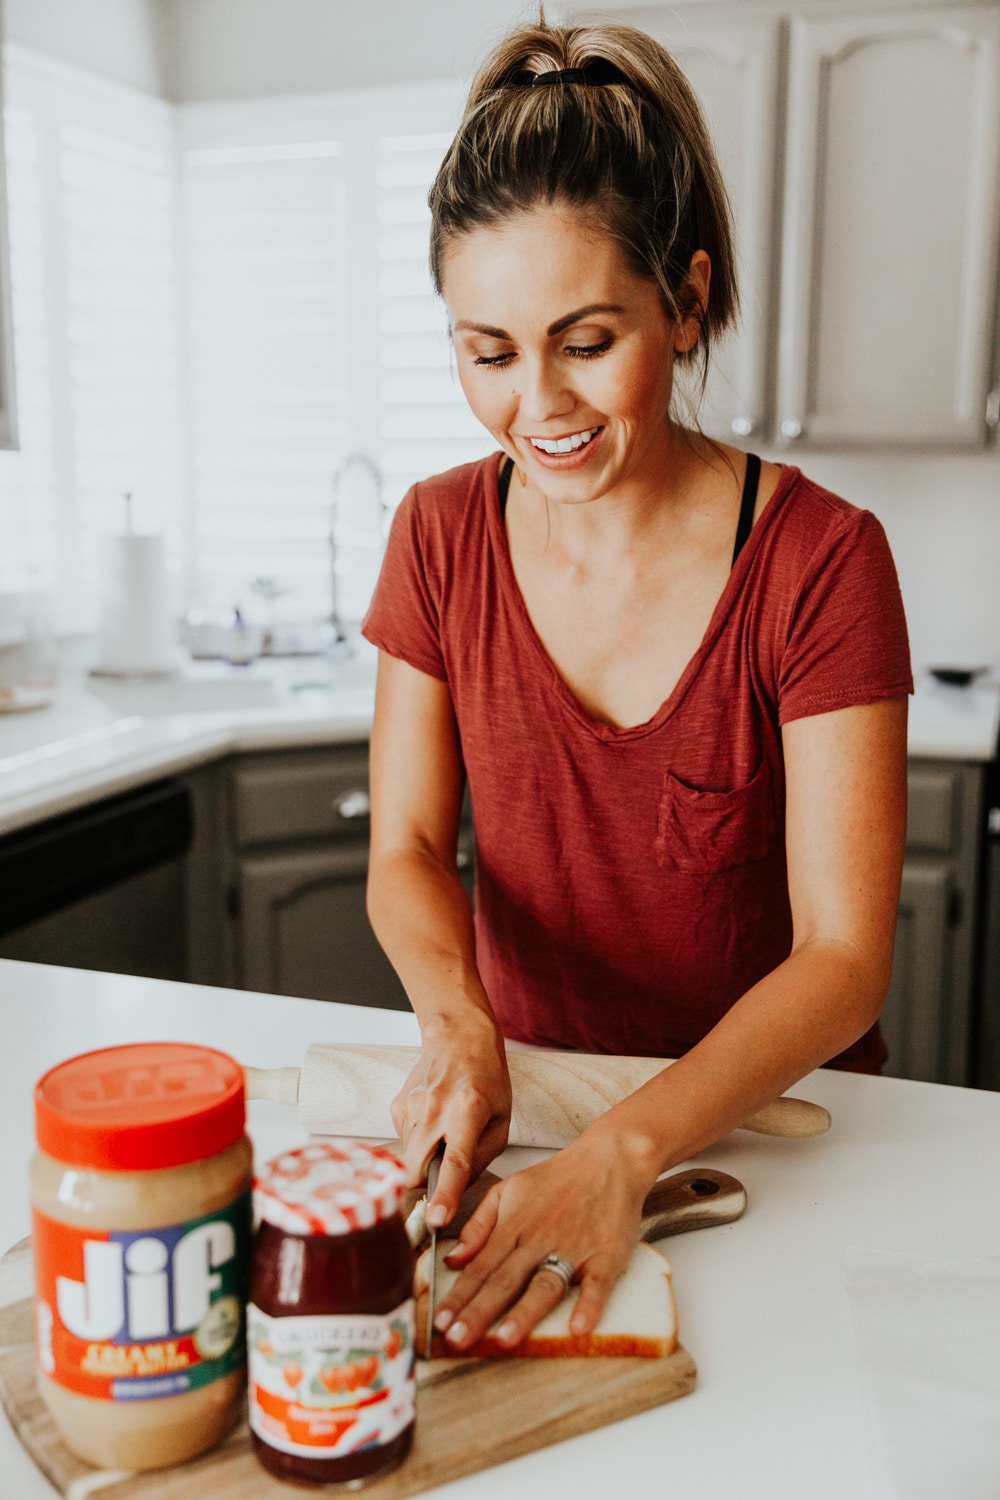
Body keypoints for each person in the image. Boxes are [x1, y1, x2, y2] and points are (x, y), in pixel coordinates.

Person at [361, 16, 912, 1355]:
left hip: (780, 1142)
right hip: (534, 1115)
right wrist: (458, 1029)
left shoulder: (822, 560)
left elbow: (843, 963)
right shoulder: (439, 533)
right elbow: (407, 848)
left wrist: (625, 1158)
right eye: (488, 351)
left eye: (586, 339)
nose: (535, 402)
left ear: (688, 297)